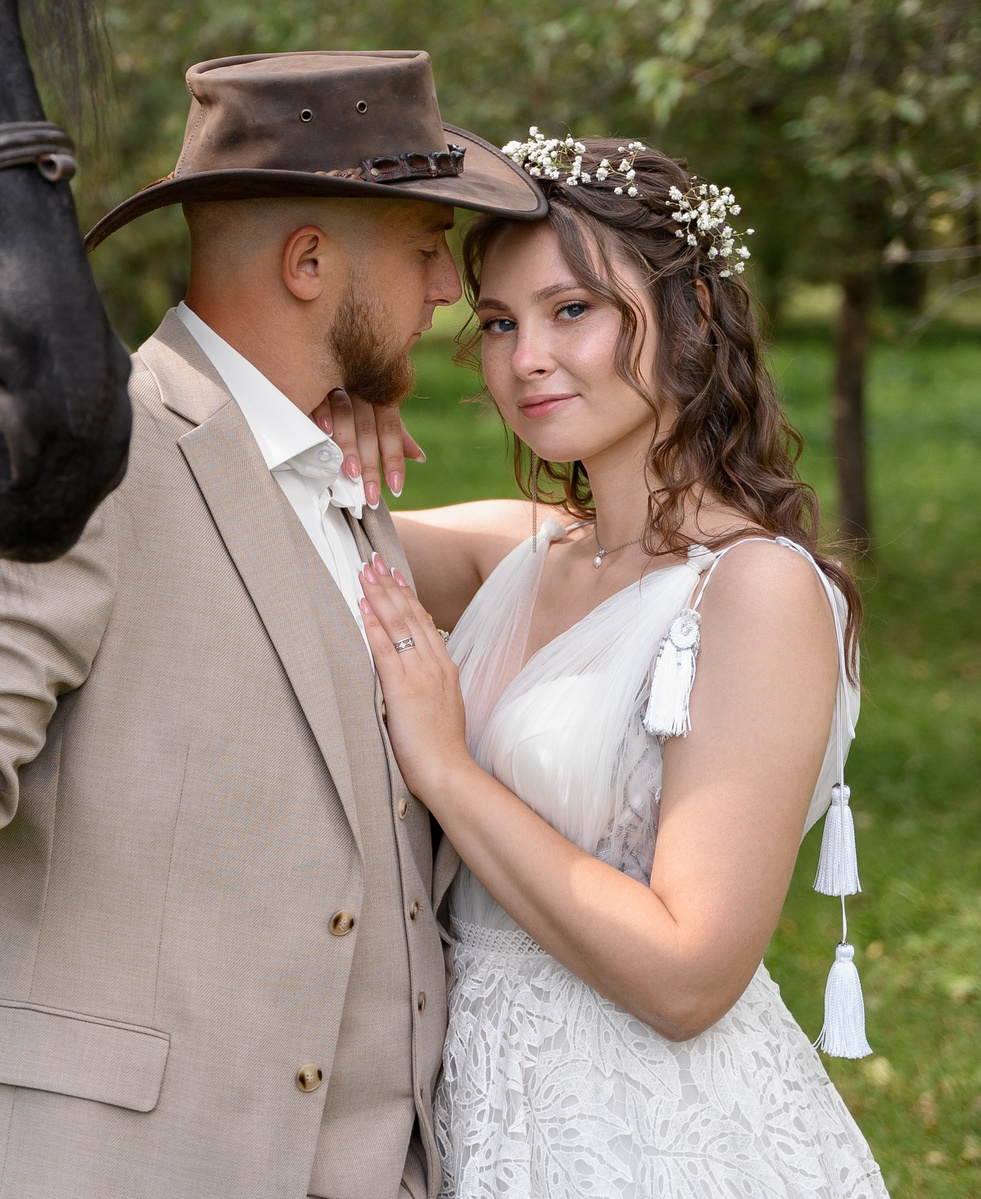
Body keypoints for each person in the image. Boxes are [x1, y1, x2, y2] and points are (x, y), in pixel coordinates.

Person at [0, 51, 546, 1199]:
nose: (445, 292)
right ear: (311, 263)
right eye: (422, 252)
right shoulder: (90, 456)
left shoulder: (331, 465)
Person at [314, 133, 887, 1197]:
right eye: (497, 322)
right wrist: (341, 395)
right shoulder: (518, 552)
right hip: (468, 1113)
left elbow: (688, 974)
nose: (524, 354)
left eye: (571, 309)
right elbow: (303, 520)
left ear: (693, 315)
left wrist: (446, 769)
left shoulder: (753, 591)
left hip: (648, 1132)